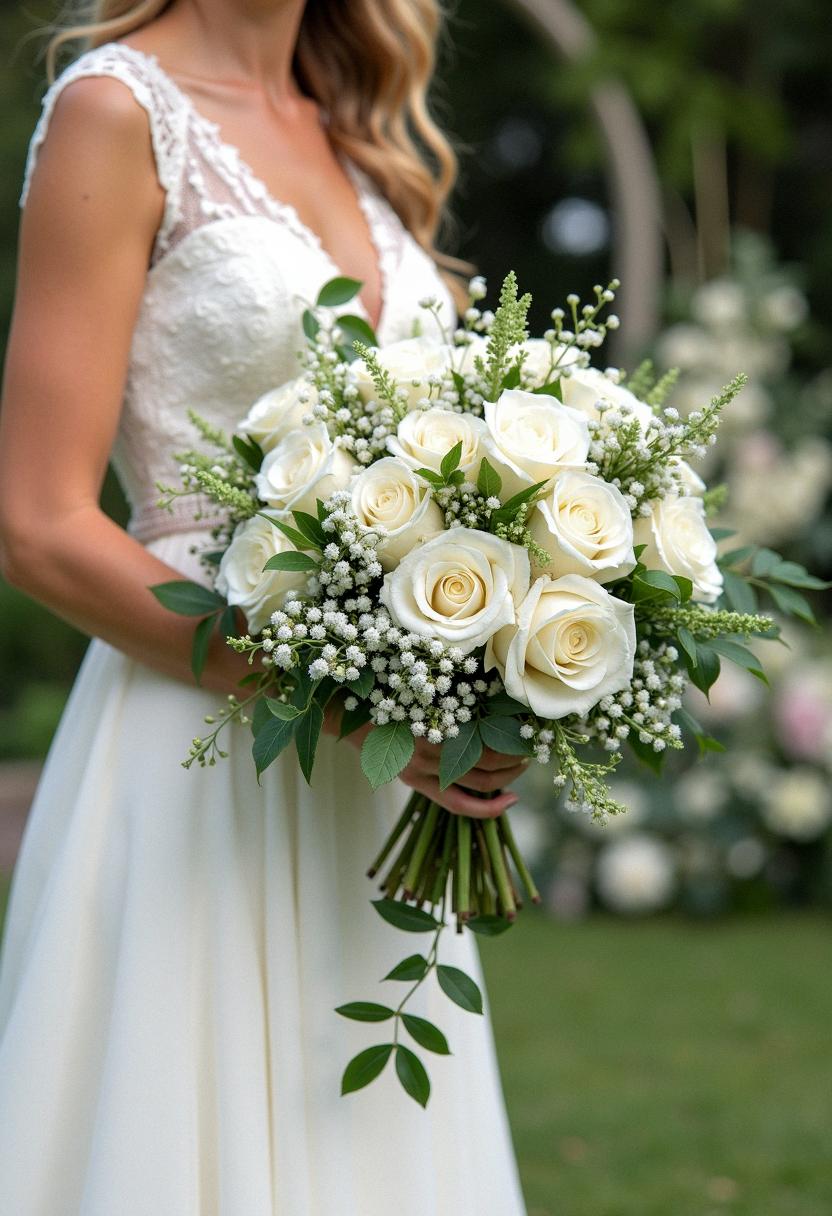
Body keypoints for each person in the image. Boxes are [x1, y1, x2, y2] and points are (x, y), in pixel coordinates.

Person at [0, 1, 531, 1212]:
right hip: (197, 749)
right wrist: (340, 700)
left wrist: (504, 657)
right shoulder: (115, 111)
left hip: (379, 787)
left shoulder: (356, 128)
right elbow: (37, 525)